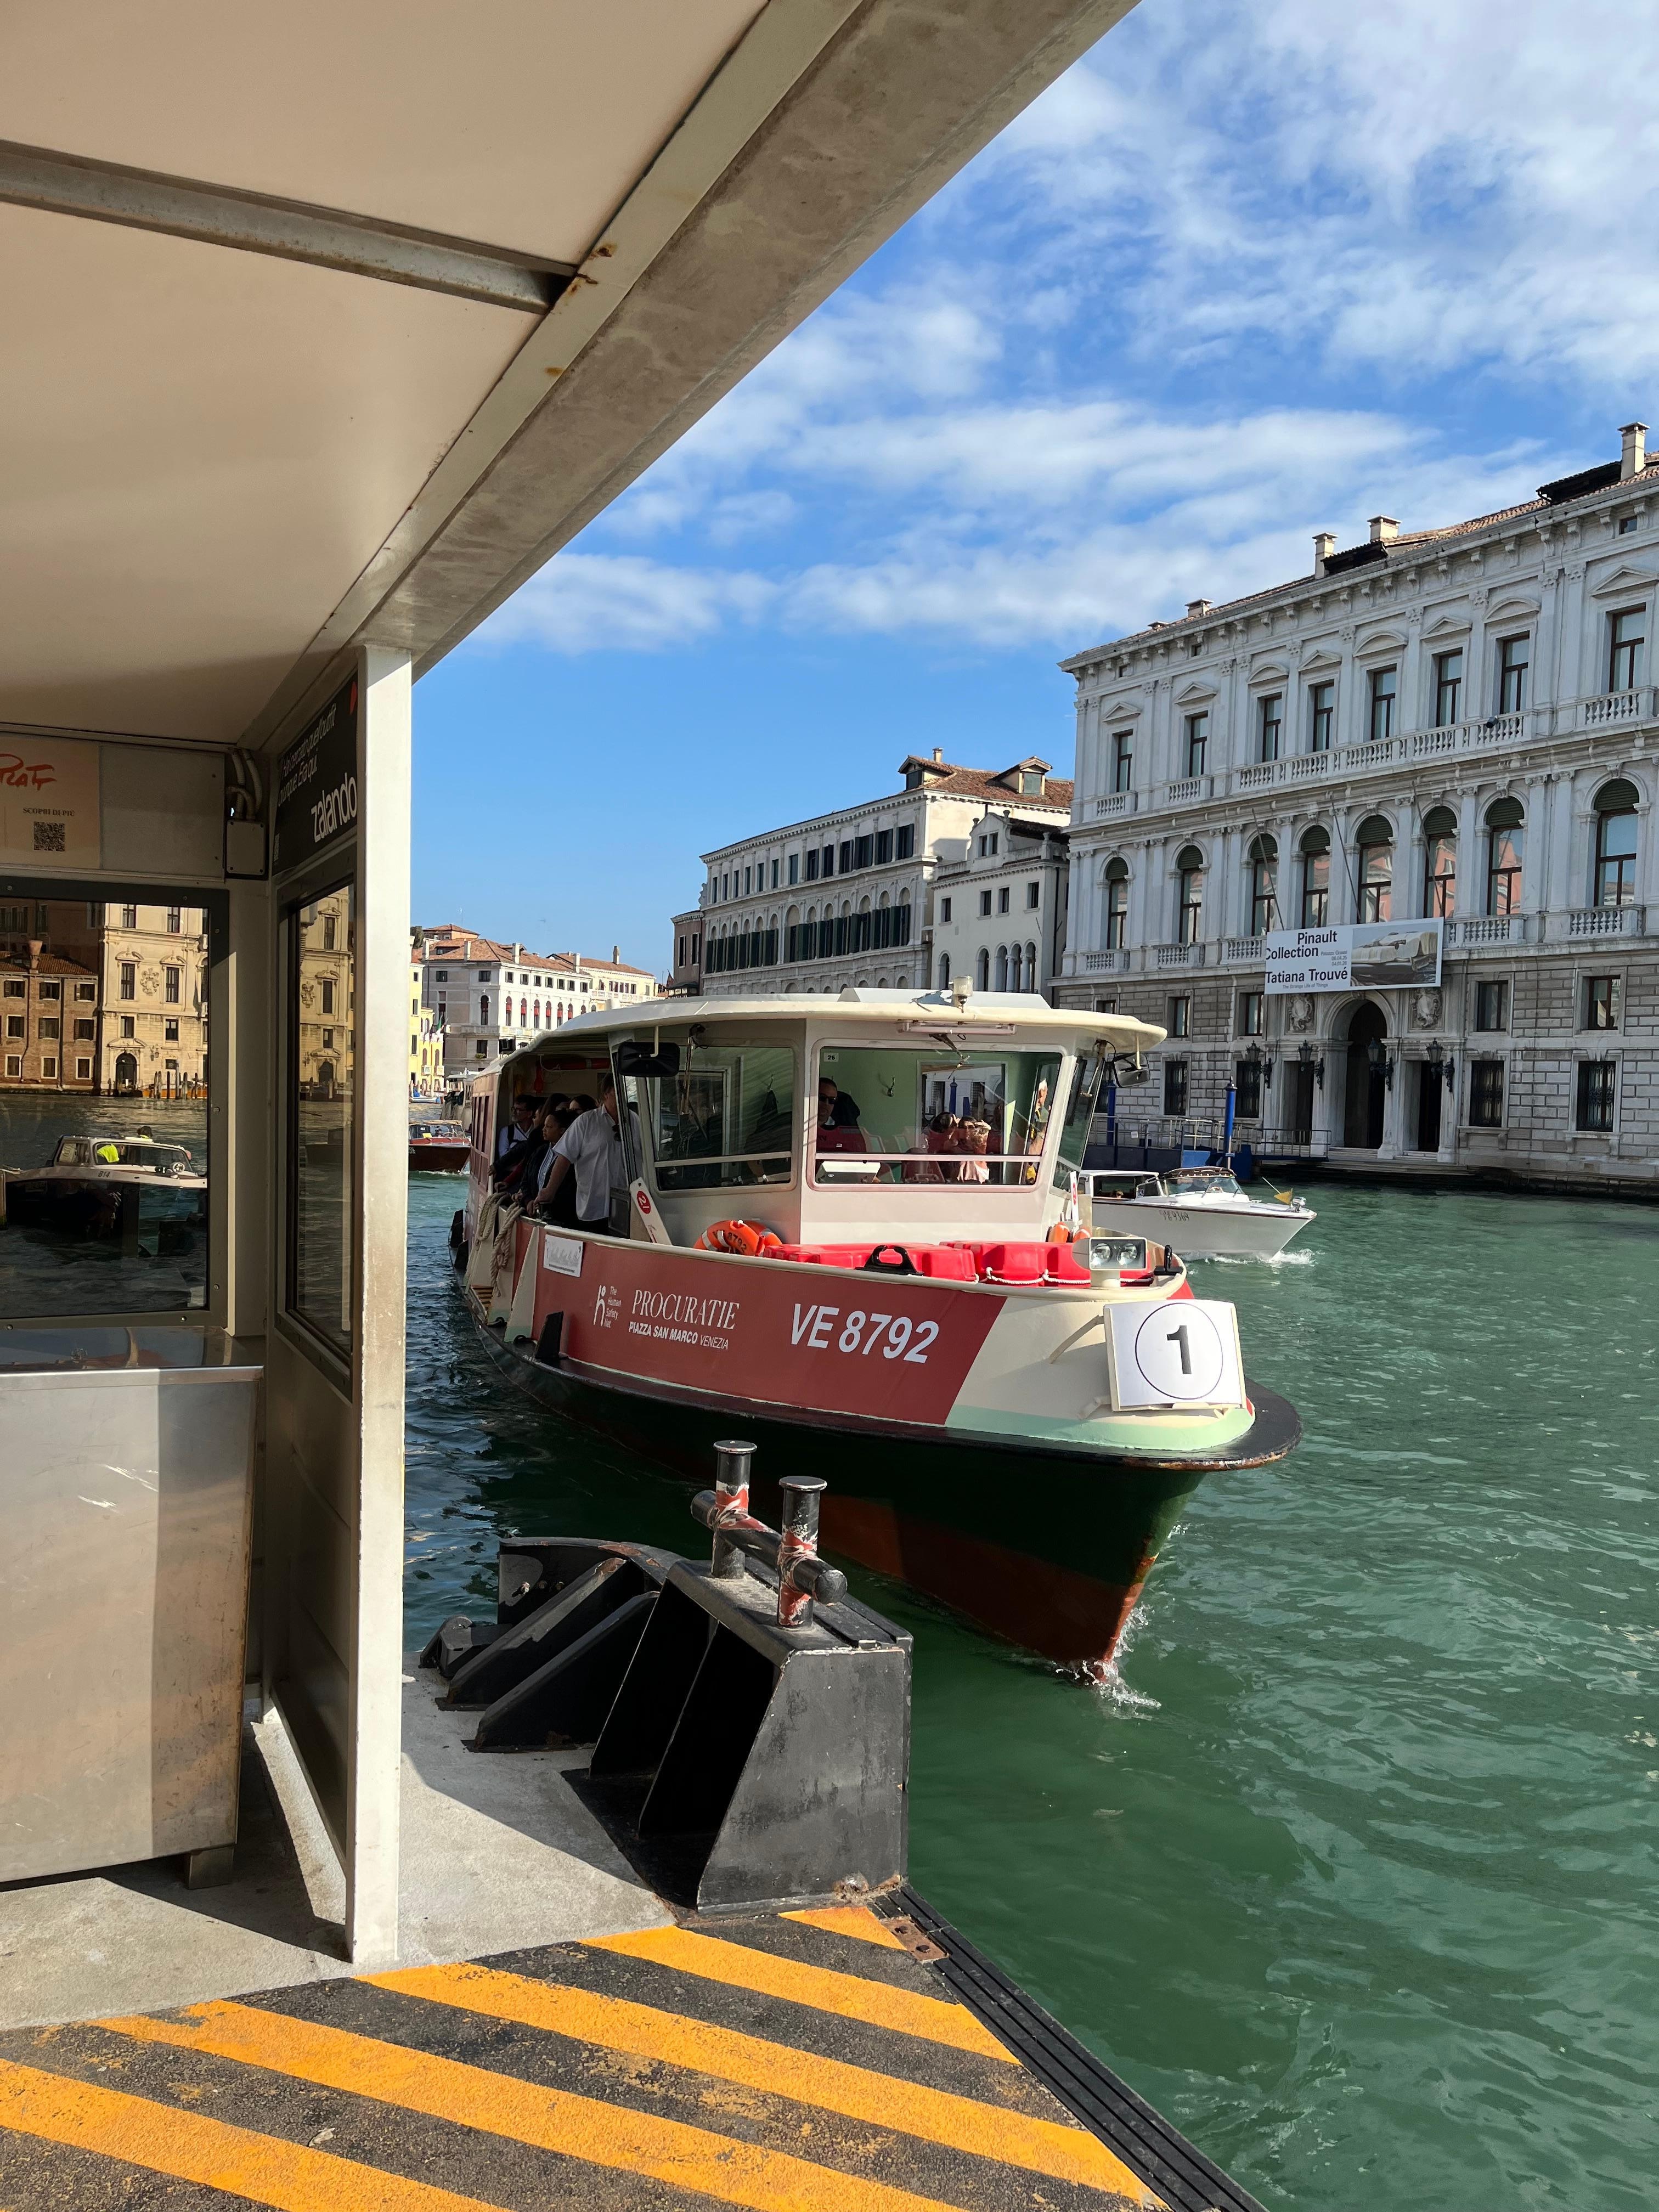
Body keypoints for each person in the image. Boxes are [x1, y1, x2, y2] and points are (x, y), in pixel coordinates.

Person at [535, 1076, 633, 1233]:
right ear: (607, 1093)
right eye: (618, 1091)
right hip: (594, 1207)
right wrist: (550, 1190)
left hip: (627, 1208)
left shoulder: (635, 1121)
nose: (624, 1095)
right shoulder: (586, 1122)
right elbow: (565, 1157)